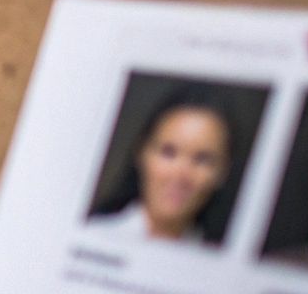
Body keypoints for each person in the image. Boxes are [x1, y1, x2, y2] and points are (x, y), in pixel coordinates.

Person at [90, 91, 237, 245]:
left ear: (223, 172)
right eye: (169, 152)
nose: (180, 175)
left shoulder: (216, 261)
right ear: (141, 153)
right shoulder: (91, 238)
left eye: (202, 159)